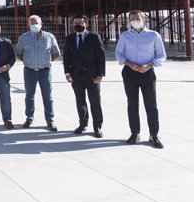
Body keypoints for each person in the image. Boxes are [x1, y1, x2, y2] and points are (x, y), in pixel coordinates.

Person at [115, 9, 167, 149]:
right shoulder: (125, 36)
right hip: (130, 72)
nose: (135, 21)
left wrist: (150, 65)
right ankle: (134, 133)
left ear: (144, 18)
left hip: (147, 72)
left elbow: (161, 55)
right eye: (132, 18)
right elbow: (119, 53)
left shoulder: (153, 35)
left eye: (137, 18)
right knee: (132, 104)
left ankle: (154, 135)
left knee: (151, 104)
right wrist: (129, 63)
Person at [63, 14, 106, 138]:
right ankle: (83, 124)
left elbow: (101, 57)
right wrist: (67, 73)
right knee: (80, 101)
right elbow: (66, 57)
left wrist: (100, 74)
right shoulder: (70, 38)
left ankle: (97, 126)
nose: (77, 25)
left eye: (80, 23)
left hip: (92, 76)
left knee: (95, 102)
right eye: (75, 23)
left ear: (86, 24)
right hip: (76, 76)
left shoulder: (94, 37)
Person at [15, 15, 60, 131]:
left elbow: (56, 53)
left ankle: (50, 120)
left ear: (41, 24)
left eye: (36, 23)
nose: (34, 25)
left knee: (48, 97)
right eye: (31, 23)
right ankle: (29, 118)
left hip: (45, 71)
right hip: (29, 71)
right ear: (28, 25)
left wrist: (47, 62)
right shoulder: (23, 38)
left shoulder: (49, 37)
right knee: (29, 96)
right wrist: (27, 62)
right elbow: (18, 53)